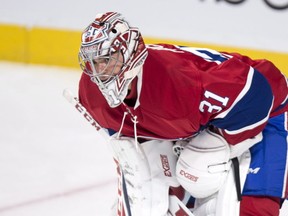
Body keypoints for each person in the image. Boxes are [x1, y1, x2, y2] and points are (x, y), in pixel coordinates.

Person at [77, 12, 288, 216]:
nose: (99, 70)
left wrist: (218, 146)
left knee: (233, 197)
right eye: (94, 62)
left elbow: (257, 95)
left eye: (107, 59)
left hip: (269, 110)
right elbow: (132, 156)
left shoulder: (181, 82)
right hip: (201, 124)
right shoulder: (92, 95)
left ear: (130, 54)